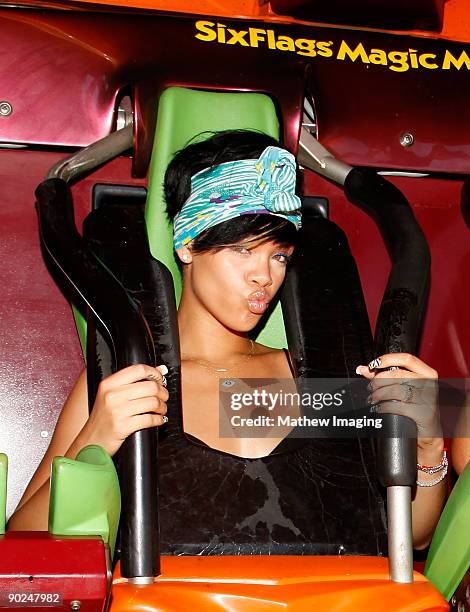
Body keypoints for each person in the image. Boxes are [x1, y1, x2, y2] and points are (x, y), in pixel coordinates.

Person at [8, 130, 446, 551]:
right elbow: (23, 538)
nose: (265, 276)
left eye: (278, 255)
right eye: (242, 249)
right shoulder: (126, 379)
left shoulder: (313, 378)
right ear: (188, 244)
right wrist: (97, 439)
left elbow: (411, 537)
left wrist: (428, 444)